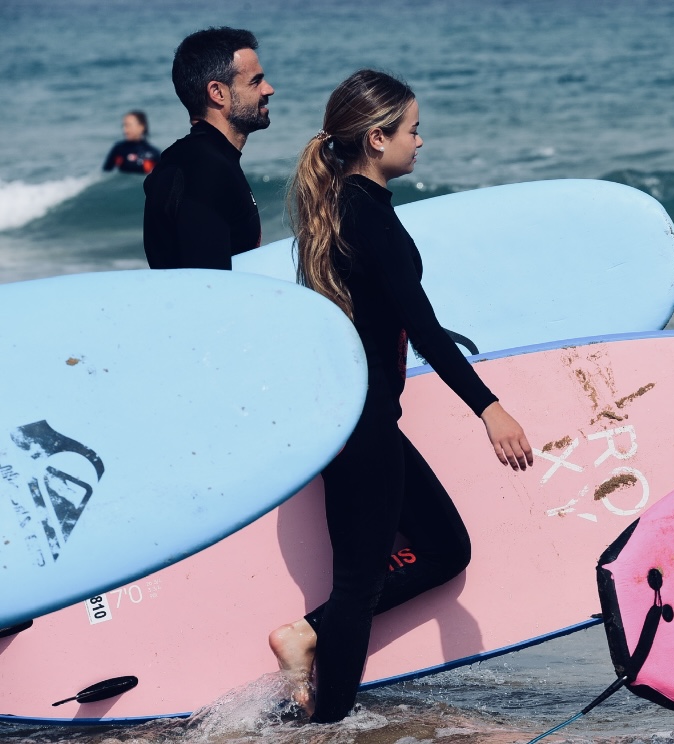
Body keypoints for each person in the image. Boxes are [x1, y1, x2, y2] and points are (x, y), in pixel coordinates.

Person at [266, 69, 534, 724]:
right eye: (413, 129)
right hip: (363, 428)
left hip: (358, 422)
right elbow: (425, 328)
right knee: (358, 588)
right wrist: (489, 407)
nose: (421, 140)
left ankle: (307, 635)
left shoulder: (343, 207)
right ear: (377, 137)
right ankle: (329, 725)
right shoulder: (368, 215)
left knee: (444, 549)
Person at [142, 27, 275, 269]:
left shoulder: (197, 159)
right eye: (255, 81)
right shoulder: (205, 170)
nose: (268, 89)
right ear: (217, 93)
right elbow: (208, 281)